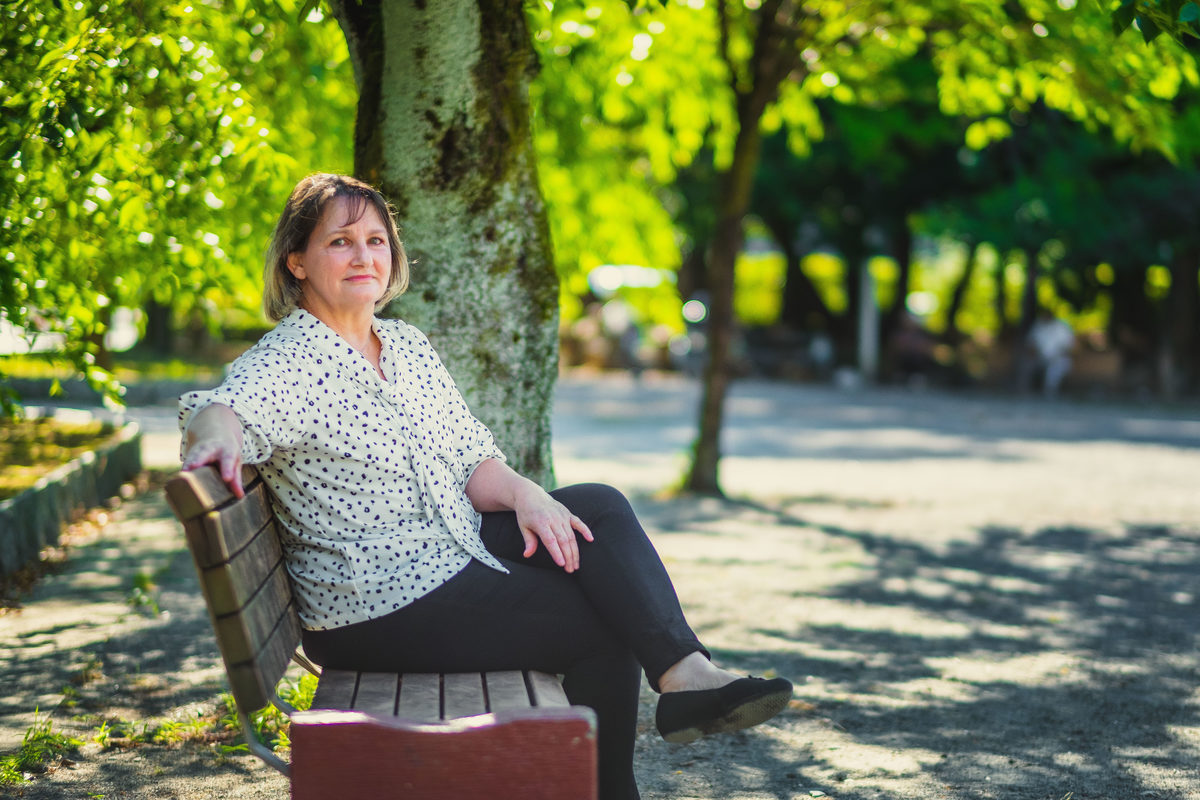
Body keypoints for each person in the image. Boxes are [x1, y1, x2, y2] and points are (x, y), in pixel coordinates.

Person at [179, 174, 792, 800]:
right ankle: (626, 773)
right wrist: (215, 439)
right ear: (298, 262)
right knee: (606, 622)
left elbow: (472, 459)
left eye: (376, 239)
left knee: (596, 506)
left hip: (447, 549)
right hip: (376, 602)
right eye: (340, 242)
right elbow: (222, 407)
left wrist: (528, 496)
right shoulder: (288, 362)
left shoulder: (405, 346)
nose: (364, 256)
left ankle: (688, 674)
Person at [1022, 308, 1075, 398]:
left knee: (1056, 368)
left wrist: (1057, 355)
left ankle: (1050, 392)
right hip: (1040, 358)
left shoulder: (1061, 327)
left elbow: (1069, 346)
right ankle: (1025, 390)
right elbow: (1030, 344)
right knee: (1026, 363)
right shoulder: (1038, 326)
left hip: (1058, 358)